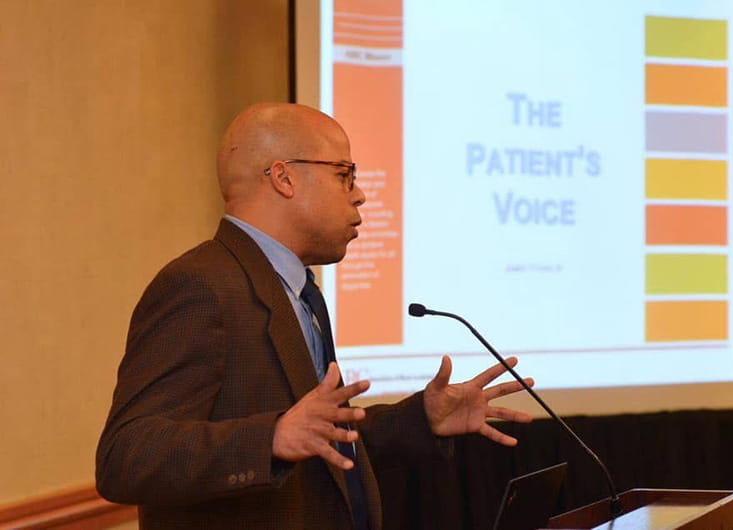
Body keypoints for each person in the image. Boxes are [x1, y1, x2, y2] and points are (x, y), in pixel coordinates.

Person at [96, 103, 534, 529]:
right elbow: (127, 456)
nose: (360, 194)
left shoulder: (299, 290)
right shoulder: (200, 286)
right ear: (284, 177)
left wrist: (422, 418)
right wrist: (271, 438)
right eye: (344, 174)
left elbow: (319, 443)